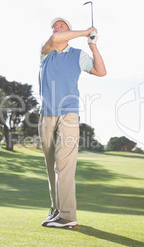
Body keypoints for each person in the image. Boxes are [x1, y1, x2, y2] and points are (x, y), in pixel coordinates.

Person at [38, 17, 106, 228]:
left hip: (69, 114)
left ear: (69, 30)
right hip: (46, 115)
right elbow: (55, 38)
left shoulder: (78, 56)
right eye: (55, 26)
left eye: (62, 26)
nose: (57, 28)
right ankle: (57, 210)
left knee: (65, 165)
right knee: (51, 167)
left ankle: (68, 216)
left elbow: (101, 71)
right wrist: (85, 31)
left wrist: (92, 45)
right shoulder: (45, 53)